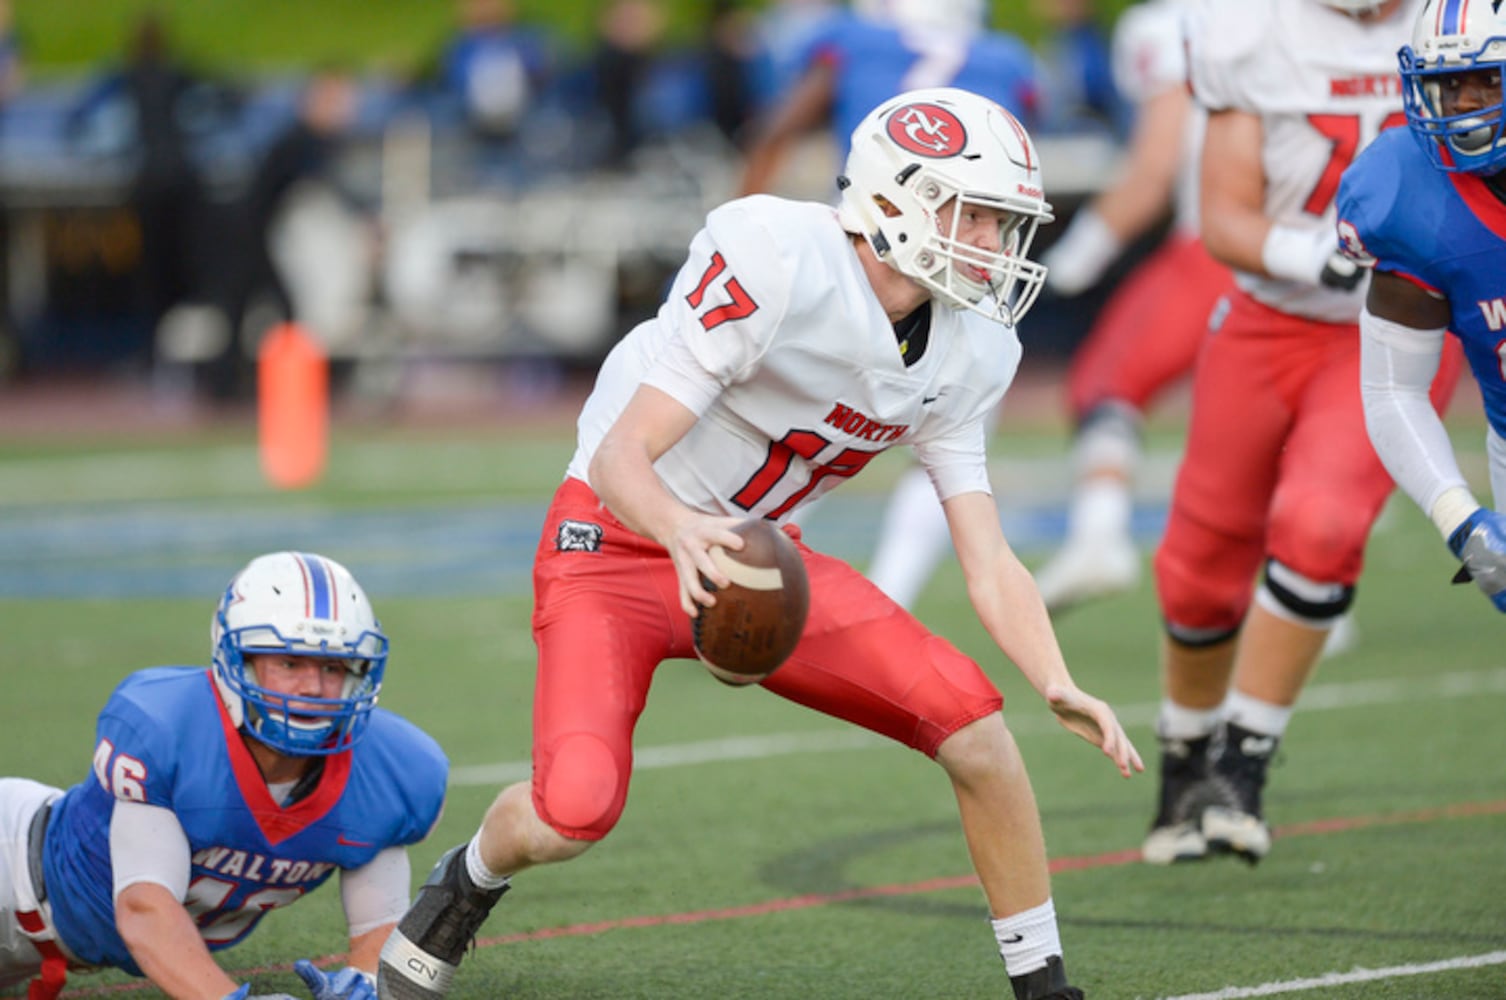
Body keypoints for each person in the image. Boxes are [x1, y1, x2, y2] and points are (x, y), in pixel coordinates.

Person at [376, 87, 1141, 1000]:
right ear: (897, 201)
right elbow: (623, 456)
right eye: (974, 215)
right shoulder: (777, 258)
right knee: (571, 811)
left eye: (1003, 222)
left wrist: (1054, 678)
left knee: (975, 729)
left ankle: (1044, 986)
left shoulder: (971, 350)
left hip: (753, 562)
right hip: (618, 541)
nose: (992, 244)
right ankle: (468, 879)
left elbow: (986, 552)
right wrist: (681, 532)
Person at [1142, 0, 1463, 868]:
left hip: (1400, 326)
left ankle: (1240, 767)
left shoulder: (1464, 20)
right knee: (1198, 571)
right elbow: (1226, 215)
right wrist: (1311, 253)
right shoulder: (1251, 27)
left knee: (1322, 523)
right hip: (1266, 322)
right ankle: (1182, 762)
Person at [0, 552, 447, 1000]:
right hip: (14, 875)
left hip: (63, 942)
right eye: (289, 664)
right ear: (238, 661)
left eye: (332, 667)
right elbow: (145, 911)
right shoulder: (169, 727)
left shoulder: (394, 771)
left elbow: (379, 932)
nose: (312, 688)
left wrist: (367, 985)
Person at [1028, 0, 1230, 614]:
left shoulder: (1169, 26)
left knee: (1108, 380)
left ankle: (1098, 537)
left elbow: (1156, 166)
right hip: (1330, 251)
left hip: (1222, 244)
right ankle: (1317, 591)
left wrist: (1070, 262)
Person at [1340, 0, 1506, 614]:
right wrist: (1462, 519)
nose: (1466, 102)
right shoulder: (1408, 190)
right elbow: (1393, 391)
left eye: (1488, 78)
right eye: (1448, 81)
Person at [736, 0, 1039, 197]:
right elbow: (1026, 141)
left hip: (875, 220)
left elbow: (776, 134)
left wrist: (736, 219)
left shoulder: (852, 38)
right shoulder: (1008, 57)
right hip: (973, 226)